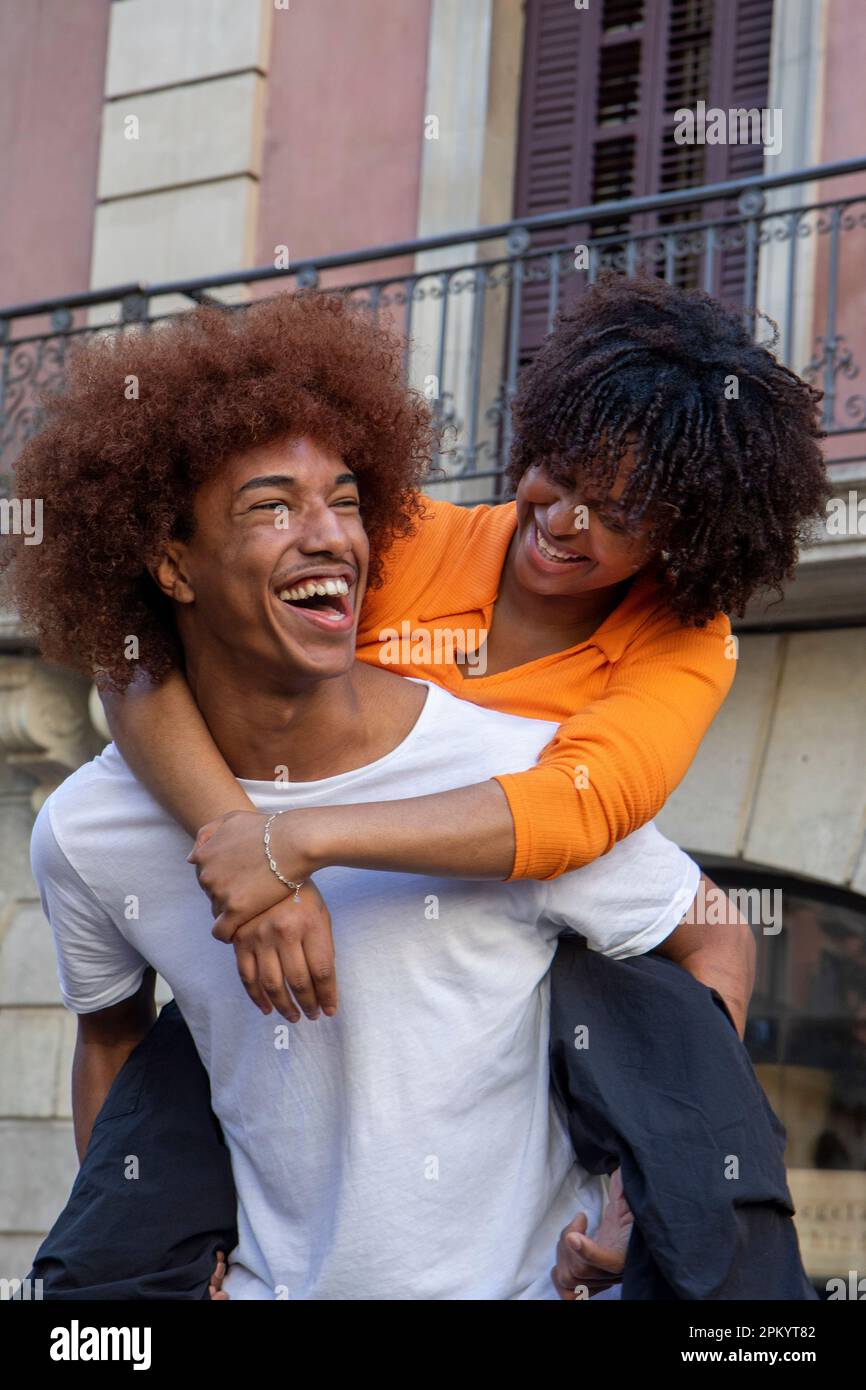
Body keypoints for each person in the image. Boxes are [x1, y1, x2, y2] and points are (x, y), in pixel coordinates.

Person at [5, 288, 818, 1299]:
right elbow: (140, 660)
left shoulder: (677, 650)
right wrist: (242, 844)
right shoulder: (398, 538)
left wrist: (297, 844)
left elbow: (570, 816)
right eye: (556, 476)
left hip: (534, 944)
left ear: (684, 539)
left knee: (616, 993)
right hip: (294, 1026)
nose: (562, 522)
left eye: (617, 514)